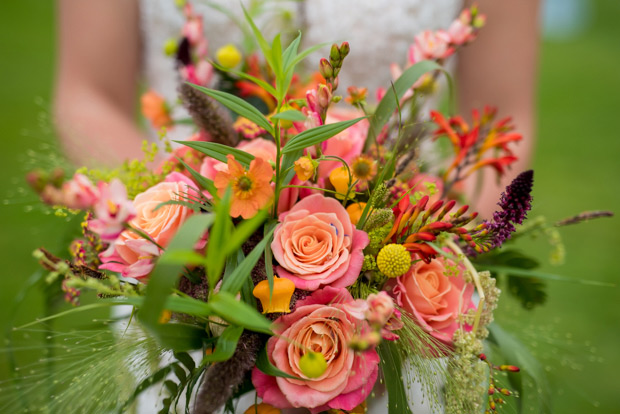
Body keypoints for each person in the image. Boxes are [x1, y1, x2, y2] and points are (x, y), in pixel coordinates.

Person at [54, 2, 540, 412]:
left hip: (408, 296)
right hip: (186, 283)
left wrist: (421, 250)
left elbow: (503, 111)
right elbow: (89, 93)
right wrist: (196, 237)